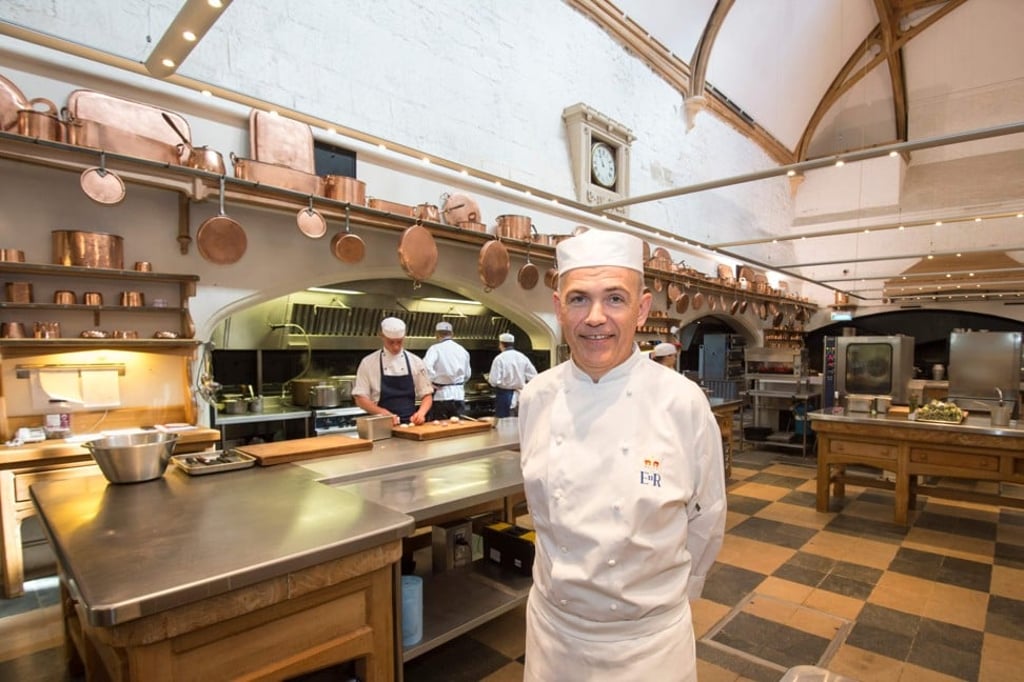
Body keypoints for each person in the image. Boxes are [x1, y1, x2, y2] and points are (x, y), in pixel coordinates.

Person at [517, 229, 727, 681]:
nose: (596, 318)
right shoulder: (535, 397)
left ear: (642, 308)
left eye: (615, 298)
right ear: (558, 309)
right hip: (556, 636)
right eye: (578, 300)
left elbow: (707, 516)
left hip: (649, 645)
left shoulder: (682, 402)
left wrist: (673, 597)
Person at [352, 317, 433, 425]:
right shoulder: (368, 363)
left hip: (411, 425)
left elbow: (427, 395)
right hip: (380, 426)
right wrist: (382, 413)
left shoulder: (416, 362)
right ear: (382, 336)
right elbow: (360, 399)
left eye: (399, 342)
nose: (395, 347)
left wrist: (421, 413)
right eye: (391, 342)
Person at [423, 321, 472, 420]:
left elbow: (425, 367)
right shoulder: (462, 350)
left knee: (441, 429)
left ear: (437, 335)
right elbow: (467, 375)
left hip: (442, 396)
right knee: (458, 428)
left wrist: (430, 382)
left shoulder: (435, 349)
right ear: (452, 334)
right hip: (458, 396)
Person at [487, 332, 537, 418]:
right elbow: (534, 376)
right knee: (520, 423)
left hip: (504, 396)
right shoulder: (522, 357)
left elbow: (493, 381)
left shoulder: (499, 358)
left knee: (504, 423)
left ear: (501, 344)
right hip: (521, 395)